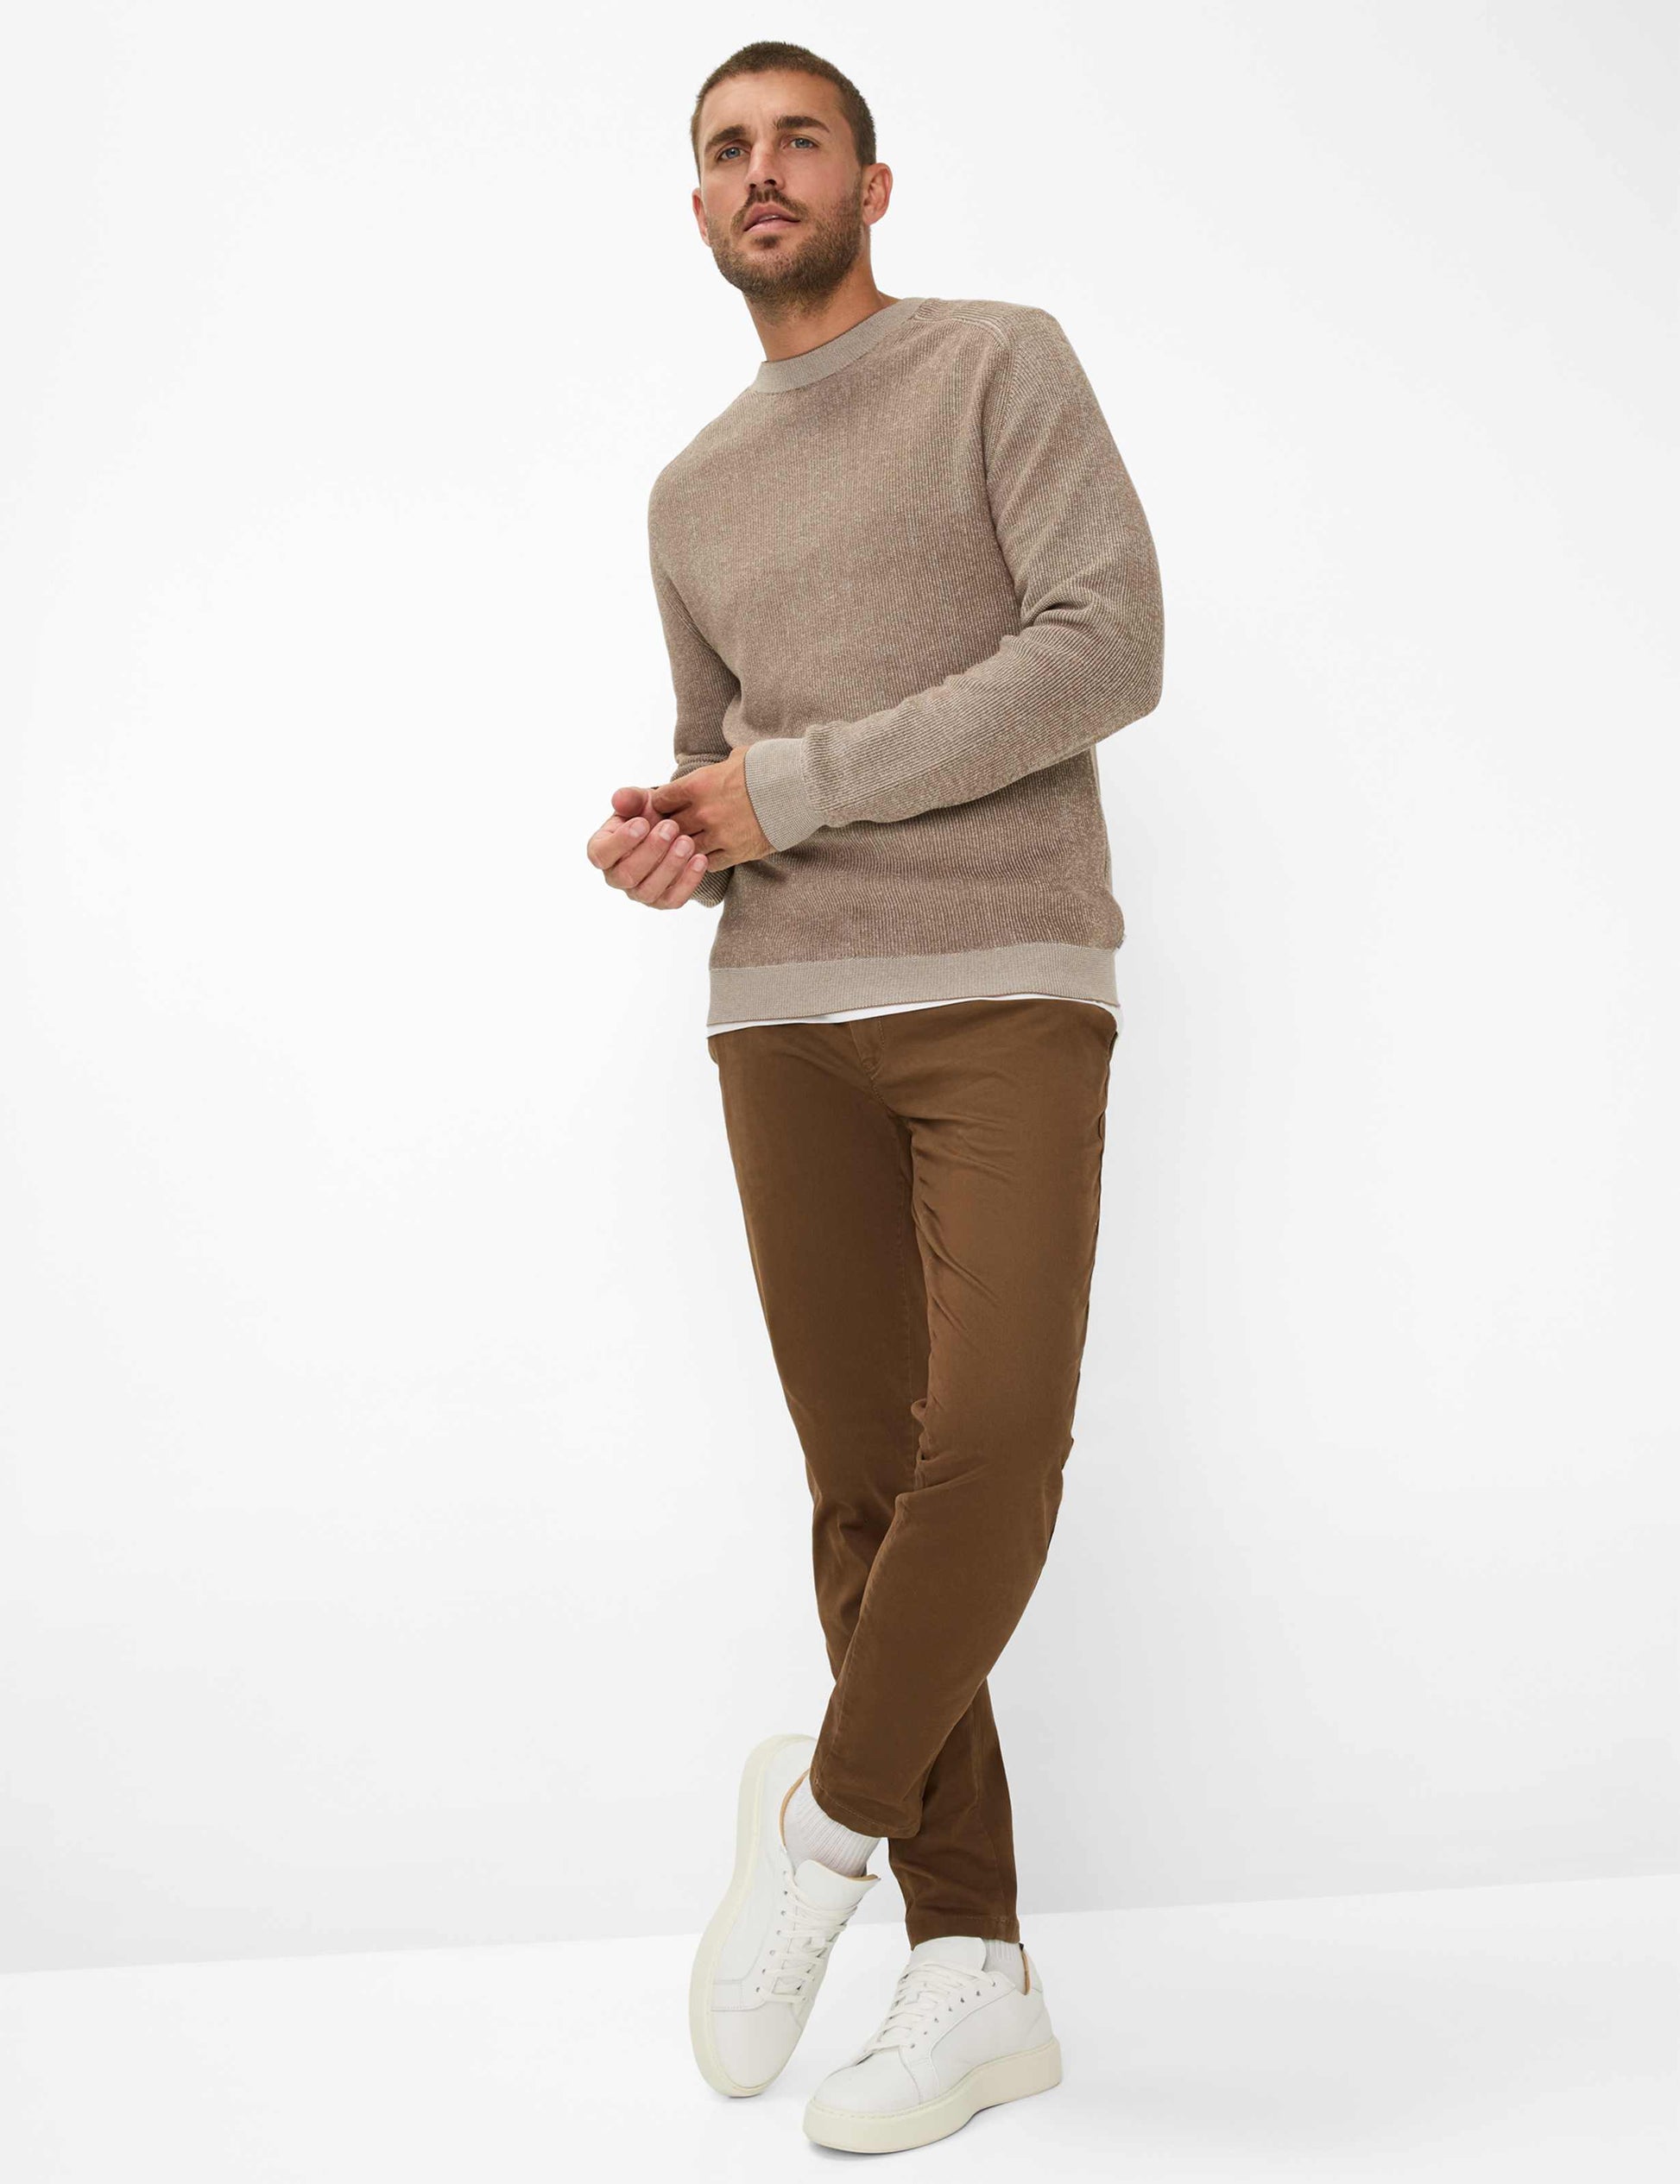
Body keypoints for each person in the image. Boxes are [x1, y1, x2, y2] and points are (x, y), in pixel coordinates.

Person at [586, 39, 1164, 2156]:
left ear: (870, 184)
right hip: (779, 1012)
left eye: (797, 140)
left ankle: (820, 1833)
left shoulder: (996, 364)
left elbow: (1104, 645)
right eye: (724, 149)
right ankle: (972, 1962)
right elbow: (722, 757)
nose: (762, 172)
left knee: (990, 1446)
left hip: (1004, 978)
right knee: (862, 1486)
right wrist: (683, 837)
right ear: (697, 205)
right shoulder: (688, 491)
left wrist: (797, 787)